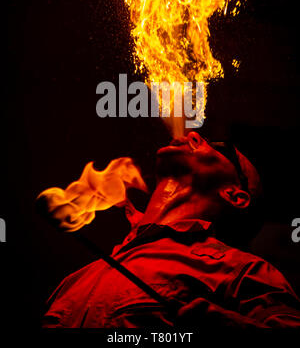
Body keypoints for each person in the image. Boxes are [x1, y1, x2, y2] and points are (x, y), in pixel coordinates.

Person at [42, 132, 300, 328]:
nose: (193, 134)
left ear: (234, 195)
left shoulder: (244, 271)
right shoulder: (77, 279)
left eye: (221, 149)